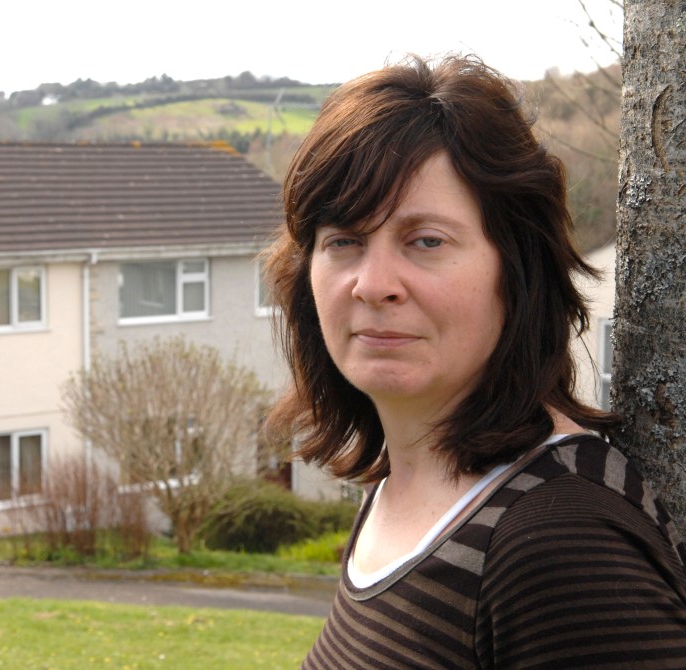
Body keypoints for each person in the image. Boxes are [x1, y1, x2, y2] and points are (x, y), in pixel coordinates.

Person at [263, 55, 686, 668]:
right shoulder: (401, 487)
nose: (373, 283)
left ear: (516, 273)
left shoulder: (557, 542)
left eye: (426, 241)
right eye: (344, 240)